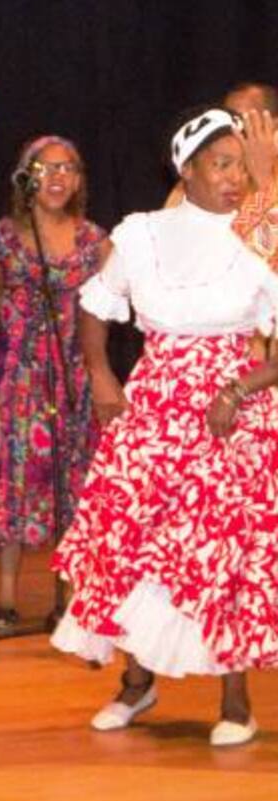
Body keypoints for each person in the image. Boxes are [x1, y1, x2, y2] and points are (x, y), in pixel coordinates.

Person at [51, 106, 278, 747]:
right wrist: (99, 374)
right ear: (188, 169)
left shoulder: (260, 232)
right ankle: (136, 682)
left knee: (221, 552)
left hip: (230, 412)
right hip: (153, 406)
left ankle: (236, 702)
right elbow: (96, 307)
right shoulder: (143, 234)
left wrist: (237, 388)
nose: (234, 178)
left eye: (242, 164)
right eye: (222, 164)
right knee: (132, 542)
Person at [0, 137, 109, 623]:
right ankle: (5, 596)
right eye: (46, 169)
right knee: (13, 486)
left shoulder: (94, 242)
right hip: (16, 380)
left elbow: (118, 306)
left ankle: (65, 596)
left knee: (73, 486)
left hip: (75, 380)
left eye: (69, 168)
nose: (58, 177)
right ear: (26, 179)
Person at [164, 81, 278, 208]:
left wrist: (264, 180)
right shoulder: (202, 180)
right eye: (226, 120)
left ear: (273, 125)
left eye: (241, 120)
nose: (231, 129)